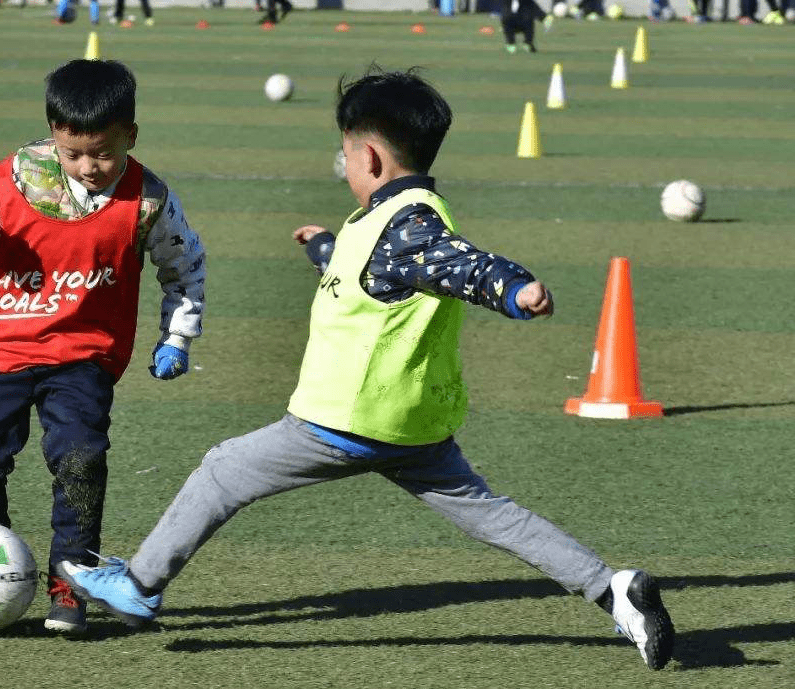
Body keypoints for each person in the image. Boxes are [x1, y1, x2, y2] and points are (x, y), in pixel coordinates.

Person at [58, 67, 675, 670]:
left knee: (222, 471)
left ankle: (139, 585)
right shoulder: (393, 218)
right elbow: (379, 274)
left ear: (371, 160)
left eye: (346, 154)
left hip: (343, 421)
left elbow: (459, 263)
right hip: (415, 426)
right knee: (496, 517)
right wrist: (325, 247)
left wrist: (513, 289)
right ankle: (611, 588)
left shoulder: (412, 227)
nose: (345, 164)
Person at [0, 58, 206, 636]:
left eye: (103, 153)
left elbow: (185, 266)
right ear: (53, 139)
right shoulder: (19, 174)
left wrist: (177, 337)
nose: (88, 167)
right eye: (72, 154)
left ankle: (71, 586)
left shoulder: (149, 201)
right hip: (1, 346)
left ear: (130, 137)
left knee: (80, 460)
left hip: (83, 353)